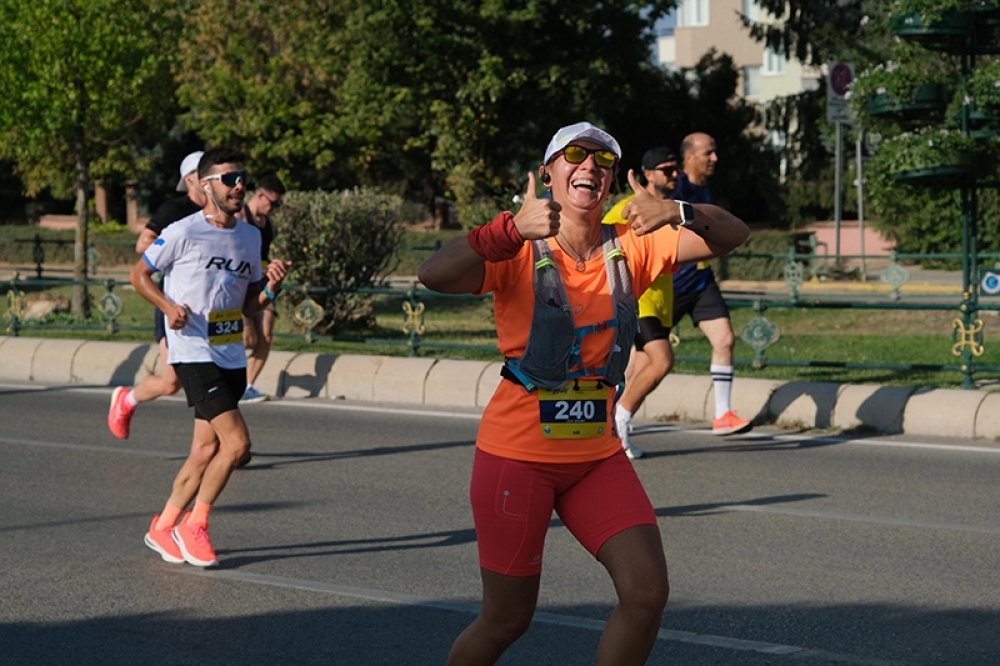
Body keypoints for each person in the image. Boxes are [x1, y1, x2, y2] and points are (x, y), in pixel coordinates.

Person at [418, 122, 749, 666]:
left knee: (646, 593)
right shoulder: (517, 244)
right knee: (506, 619)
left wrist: (678, 211)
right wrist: (507, 230)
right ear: (548, 173)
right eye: (574, 154)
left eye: (603, 160)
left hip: (595, 458)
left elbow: (734, 234)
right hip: (517, 457)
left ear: (611, 181)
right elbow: (433, 274)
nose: (589, 165)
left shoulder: (633, 243)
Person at [130, 147, 290, 567]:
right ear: (206, 185)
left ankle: (163, 526)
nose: (239, 186)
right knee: (238, 445)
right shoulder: (182, 231)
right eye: (230, 179)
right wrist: (167, 307)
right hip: (192, 351)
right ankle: (195, 525)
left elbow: (248, 305)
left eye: (243, 178)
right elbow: (139, 274)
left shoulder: (250, 236)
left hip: (229, 351)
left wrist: (270, 288)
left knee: (204, 450)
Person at [108, 151, 205, 439]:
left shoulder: (221, 213)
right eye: (205, 174)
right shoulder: (175, 209)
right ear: (190, 179)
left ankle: (223, 444)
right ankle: (126, 400)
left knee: (214, 378)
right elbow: (143, 244)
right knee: (171, 382)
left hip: (210, 306)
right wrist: (179, 250)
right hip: (175, 304)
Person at [671, 132, 752, 436]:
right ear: (689, 156)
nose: (715, 158)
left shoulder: (703, 188)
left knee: (725, 340)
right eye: (708, 153)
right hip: (671, 283)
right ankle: (616, 416)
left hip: (701, 281)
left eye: (714, 152)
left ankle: (723, 415)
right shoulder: (676, 187)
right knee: (645, 357)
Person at [603, 146, 680, 460]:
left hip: (661, 302)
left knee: (643, 365)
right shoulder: (628, 207)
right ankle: (620, 421)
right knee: (662, 361)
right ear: (648, 174)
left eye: (676, 169)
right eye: (667, 170)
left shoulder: (671, 209)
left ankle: (610, 424)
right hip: (638, 299)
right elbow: (599, 237)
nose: (674, 175)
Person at [239, 175, 286, 403]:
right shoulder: (241, 217)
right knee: (247, 340)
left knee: (265, 336)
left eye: (278, 204)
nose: (274, 209)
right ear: (260, 195)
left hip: (263, 283)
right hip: (242, 286)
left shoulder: (267, 223)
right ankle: (228, 378)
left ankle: (247, 385)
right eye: (273, 203)